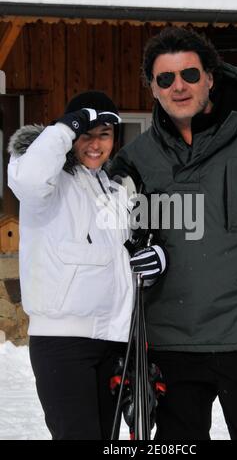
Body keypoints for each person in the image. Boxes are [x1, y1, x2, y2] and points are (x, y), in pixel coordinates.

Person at [111, 27, 237, 440]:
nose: (179, 86)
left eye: (190, 75)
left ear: (210, 77)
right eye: (166, 79)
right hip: (169, 342)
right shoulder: (136, 159)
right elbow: (102, 223)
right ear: (153, 89)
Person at [7, 90, 165, 440]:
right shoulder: (49, 184)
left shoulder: (113, 189)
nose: (95, 144)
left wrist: (155, 258)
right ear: (70, 136)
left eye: (104, 135)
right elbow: (30, 178)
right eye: (86, 134)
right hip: (63, 342)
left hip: (111, 340)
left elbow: (129, 250)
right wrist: (67, 125)